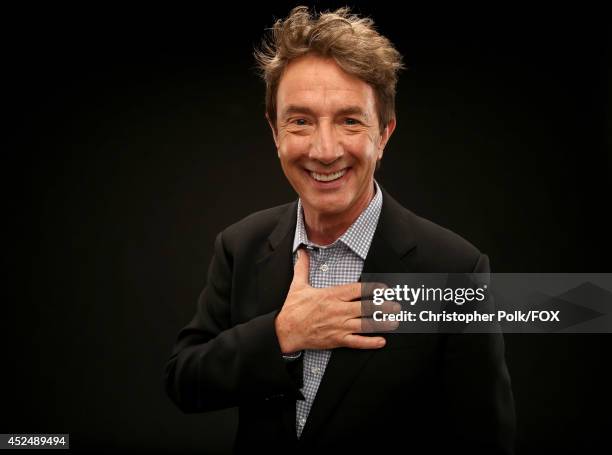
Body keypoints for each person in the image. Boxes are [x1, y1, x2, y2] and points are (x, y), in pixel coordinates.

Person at [165, 6, 515, 454]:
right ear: (275, 131)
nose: (325, 150)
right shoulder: (240, 246)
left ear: (384, 133)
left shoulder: (456, 269)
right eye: (301, 121)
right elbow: (184, 381)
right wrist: (281, 334)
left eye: (350, 120)